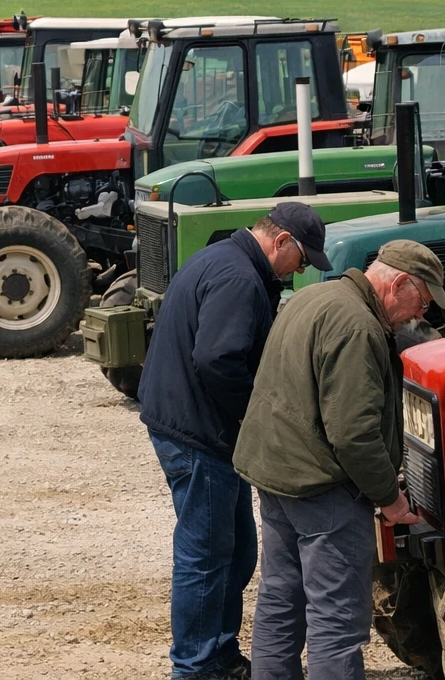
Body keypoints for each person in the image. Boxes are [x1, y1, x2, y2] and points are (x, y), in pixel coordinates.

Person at [234, 239, 445, 680]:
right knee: (337, 621)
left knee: (280, 602)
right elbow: (353, 435)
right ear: (401, 283)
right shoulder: (359, 328)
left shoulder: (313, 297)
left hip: (277, 476)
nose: (419, 316)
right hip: (323, 489)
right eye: (423, 302)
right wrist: (389, 499)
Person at [138, 203, 331, 680]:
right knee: (205, 555)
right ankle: (197, 667)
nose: (300, 271)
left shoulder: (222, 258)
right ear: (281, 241)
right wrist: (257, 415)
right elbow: (218, 359)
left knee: (239, 549)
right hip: (200, 433)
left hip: (190, 423)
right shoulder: (240, 278)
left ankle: (218, 653)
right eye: (302, 260)